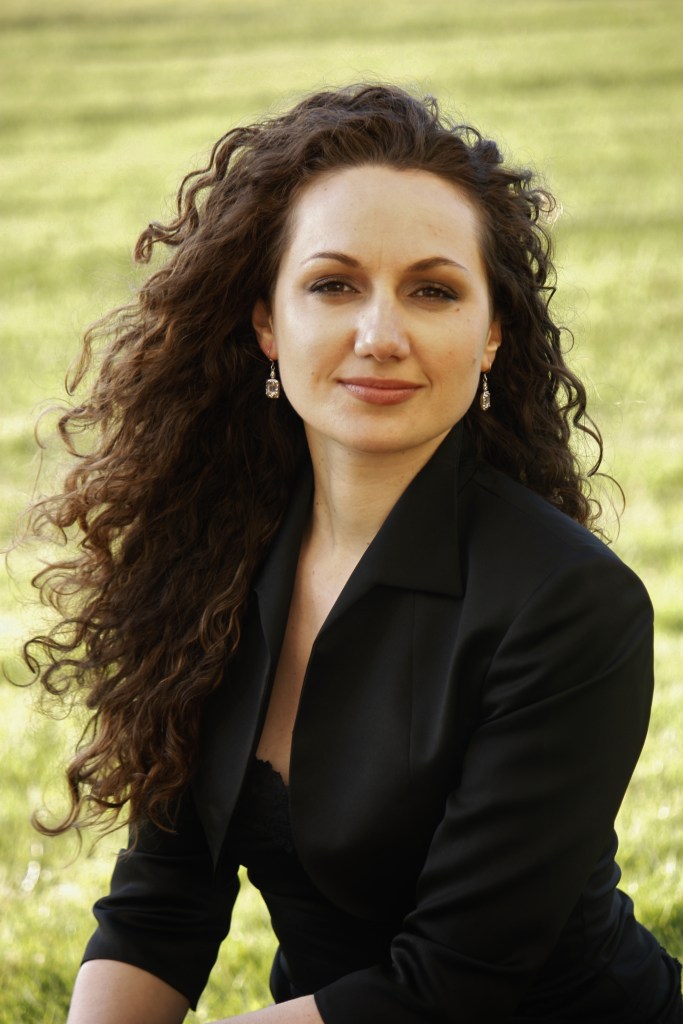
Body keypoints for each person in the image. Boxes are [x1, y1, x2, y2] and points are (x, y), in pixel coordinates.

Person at [23, 83, 682, 1023]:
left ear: (491, 335)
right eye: (333, 285)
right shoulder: (214, 550)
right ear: (266, 322)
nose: (380, 336)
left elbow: (447, 986)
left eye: (433, 290)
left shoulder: (572, 602)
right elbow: (160, 905)